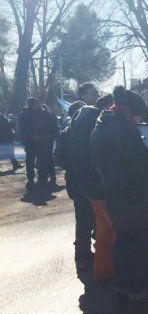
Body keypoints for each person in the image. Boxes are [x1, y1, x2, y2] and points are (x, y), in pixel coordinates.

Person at [90, 86, 148, 314]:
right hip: (134, 197)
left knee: (123, 245)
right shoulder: (124, 128)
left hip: (114, 196)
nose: (139, 120)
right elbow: (140, 163)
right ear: (131, 111)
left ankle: (123, 291)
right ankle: (139, 298)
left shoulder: (101, 126)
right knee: (142, 248)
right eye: (139, 115)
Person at [70, 90, 117, 282]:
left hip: (76, 180)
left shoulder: (71, 127)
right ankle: (106, 266)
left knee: (83, 221)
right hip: (96, 182)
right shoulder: (99, 126)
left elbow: (61, 157)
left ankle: (82, 257)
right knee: (104, 223)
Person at [57, 101, 95, 269]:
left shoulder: (65, 133)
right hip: (89, 179)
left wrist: (71, 167)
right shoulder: (89, 132)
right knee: (94, 214)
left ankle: (82, 250)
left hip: (73, 179)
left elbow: (59, 158)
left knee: (82, 216)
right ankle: (91, 251)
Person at [18, 98, 57, 188]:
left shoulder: (43, 113)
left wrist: (45, 135)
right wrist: (32, 136)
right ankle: (30, 179)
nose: (39, 105)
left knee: (42, 160)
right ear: (31, 105)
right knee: (30, 161)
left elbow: (49, 125)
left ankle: (42, 178)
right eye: (36, 103)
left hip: (43, 142)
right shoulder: (24, 115)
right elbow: (22, 128)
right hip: (30, 142)